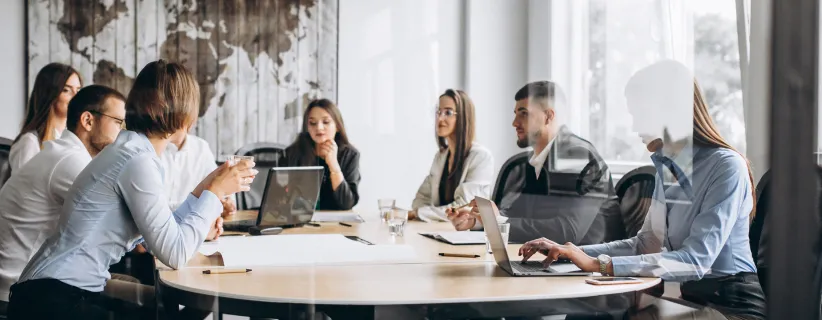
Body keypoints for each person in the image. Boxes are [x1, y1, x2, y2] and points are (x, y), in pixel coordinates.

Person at [7, 60, 257, 320]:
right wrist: (213, 193)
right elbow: (176, 253)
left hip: (52, 291)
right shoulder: (136, 160)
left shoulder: (133, 151)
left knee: (177, 308)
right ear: (185, 116)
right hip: (53, 300)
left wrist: (204, 189)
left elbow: (161, 234)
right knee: (179, 310)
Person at [518, 61, 767, 320]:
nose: (635, 127)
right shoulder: (669, 166)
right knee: (591, 315)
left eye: (640, 114)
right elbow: (644, 244)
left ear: (667, 110)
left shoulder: (726, 167)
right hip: (691, 302)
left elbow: (695, 260)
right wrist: (571, 251)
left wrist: (600, 264)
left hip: (732, 308)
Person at [0, 85, 125, 314]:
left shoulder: (65, 154)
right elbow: (120, 221)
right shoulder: (70, 162)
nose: (123, 133)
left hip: (38, 279)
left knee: (134, 291)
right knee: (135, 301)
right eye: (118, 122)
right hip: (21, 288)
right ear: (88, 120)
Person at [447, 81, 613, 244]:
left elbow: (568, 231)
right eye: (515, 114)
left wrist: (497, 222)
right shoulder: (538, 159)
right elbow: (519, 213)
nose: (514, 123)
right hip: (545, 260)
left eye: (524, 113)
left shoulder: (578, 157)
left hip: (586, 266)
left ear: (548, 116)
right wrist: (479, 220)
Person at [410, 89, 494, 222]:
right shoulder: (441, 156)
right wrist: (421, 212)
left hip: (465, 234)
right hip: (439, 230)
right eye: (438, 112)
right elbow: (420, 200)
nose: (440, 118)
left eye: (448, 112)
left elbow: (463, 207)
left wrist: (418, 214)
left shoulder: (481, 157)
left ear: (463, 117)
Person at [280, 99, 360, 210]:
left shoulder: (350, 155)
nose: (319, 127)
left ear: (337, 126)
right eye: (312, 123)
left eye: (326, 122)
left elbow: (347, 203)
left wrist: (334, 166)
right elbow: (281, 198)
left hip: (337, 223)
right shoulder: (292, 153)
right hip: (300, 220)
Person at [9, 63, 82, 172]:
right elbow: (23, 188)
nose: (76, 97)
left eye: (78, 90)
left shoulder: (74, 140)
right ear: (50, 94)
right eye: (66, 90)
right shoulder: (29, 142)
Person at [163, 129, 237, 216]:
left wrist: (226, 203)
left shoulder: (201, 147)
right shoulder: (152, 147)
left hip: (194, 221)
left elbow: (220, 187)